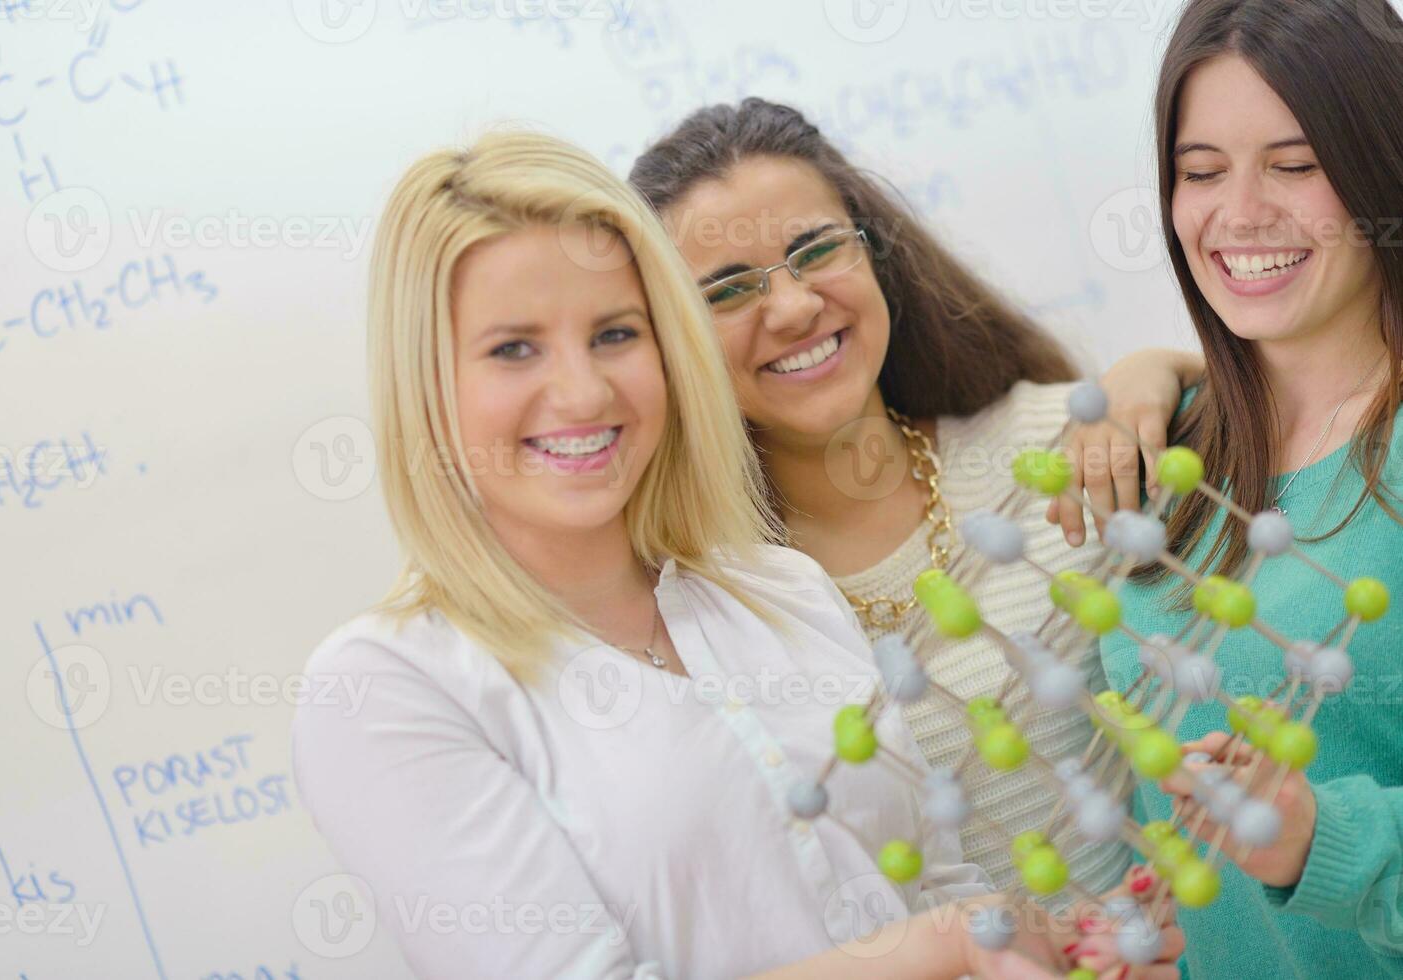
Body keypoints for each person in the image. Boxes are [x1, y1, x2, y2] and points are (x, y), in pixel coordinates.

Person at [291, 130, 1180, 979]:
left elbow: (935, 883)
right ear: (425, 382)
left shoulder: (780, 588)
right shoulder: (388, 685)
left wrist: (1051, 955)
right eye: (513, 348)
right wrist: (951, 945)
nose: (583, 390)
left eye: (614, 333)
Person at [629, 98, 1204, 897]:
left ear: (875, 258)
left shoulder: (1057, 449)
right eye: (726, 291)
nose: (793, 307)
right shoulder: (695, 605)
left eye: (817, 250)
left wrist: (1171, 373)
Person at [1092, 1, 1403, 977]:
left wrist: (1326, 840)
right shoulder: (1169, 439)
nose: (1236, 214)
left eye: (1293, 163)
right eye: (1198, 172)